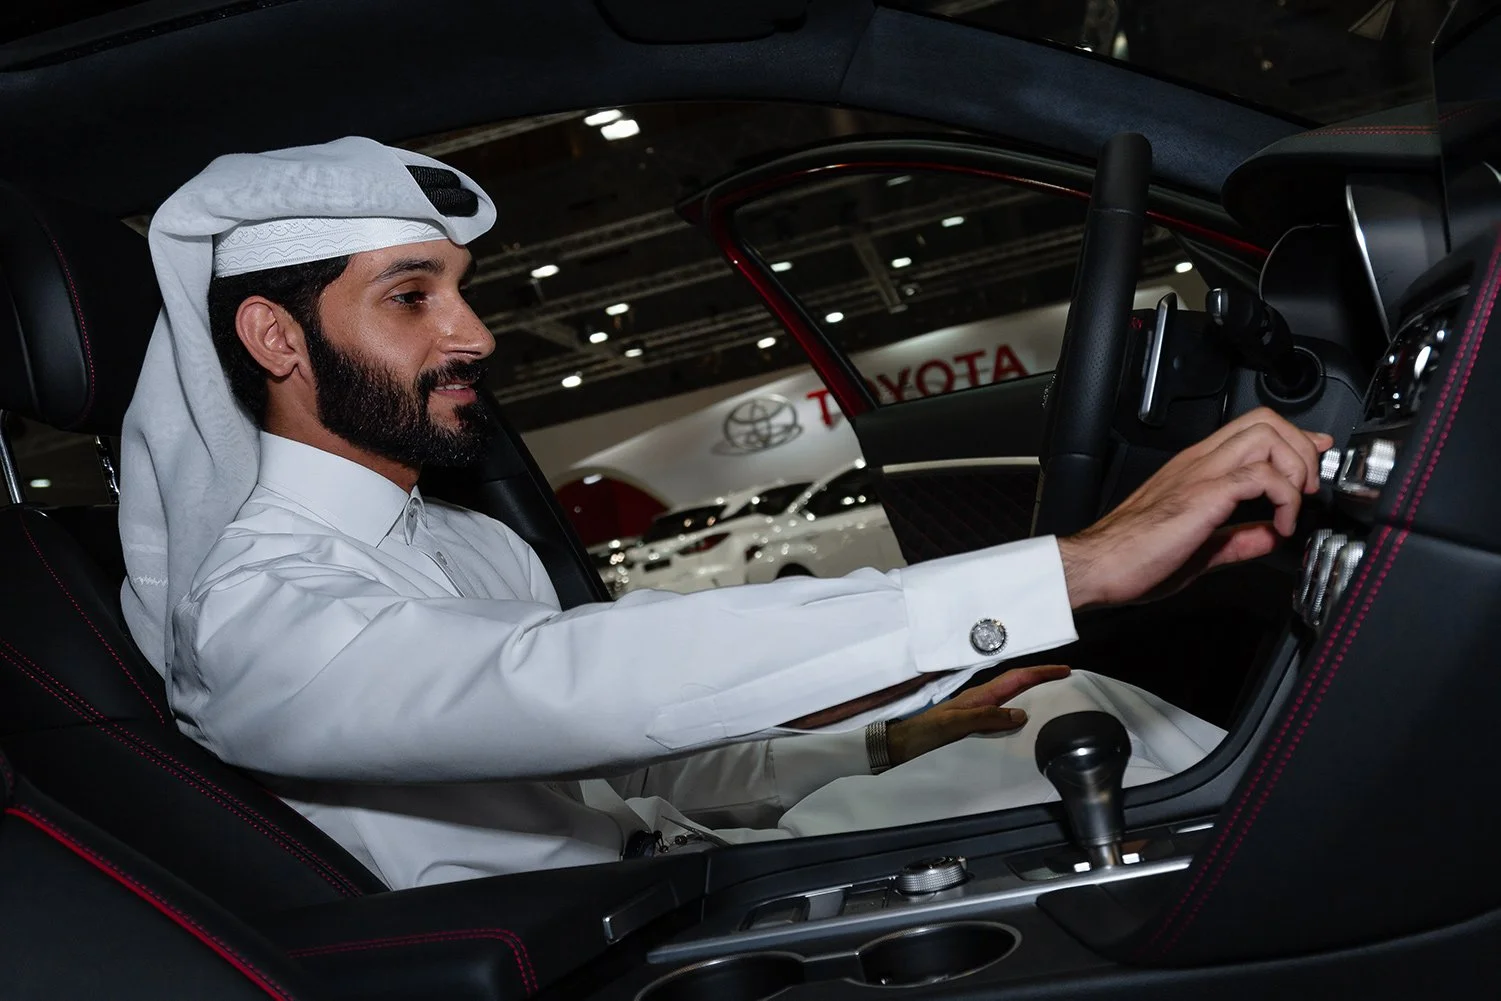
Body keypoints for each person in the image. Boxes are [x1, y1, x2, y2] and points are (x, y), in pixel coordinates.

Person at [119, 137, 1332, 889]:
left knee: (1068, 701)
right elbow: (569, 684)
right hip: (603, 942)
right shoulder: (253, 614)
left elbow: (644, 758)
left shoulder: (468, 540)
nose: (474, 334)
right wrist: (1070, 568)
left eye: (463, 293)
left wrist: (889, 733)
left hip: (691, 875)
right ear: (276, 335)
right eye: (411, 296)